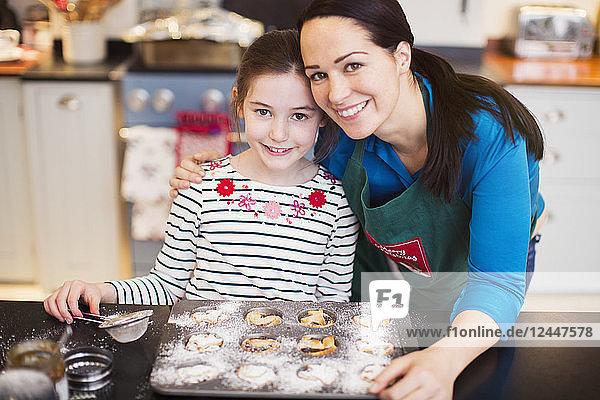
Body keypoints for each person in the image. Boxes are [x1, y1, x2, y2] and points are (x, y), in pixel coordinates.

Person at [168, 0, 546, 398]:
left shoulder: (489, 133)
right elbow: (277, 148)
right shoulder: (340, 135)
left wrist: (445, 359)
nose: (336, 94)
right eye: (319, 74)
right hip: (386, 269)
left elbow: (496, 283)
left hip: (478, 279)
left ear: (401, 56)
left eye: (352, 65)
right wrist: (213, 170)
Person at [44, 29, 359, 324]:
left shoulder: (337, 202)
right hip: (200, 353)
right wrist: (99, 290)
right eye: (263, 111)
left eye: (300, 115)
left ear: (322, 114)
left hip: (288, 365)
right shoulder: (199, 184)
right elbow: (166, 286)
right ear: (238, 103)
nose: (278, 134)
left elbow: (330, 308)